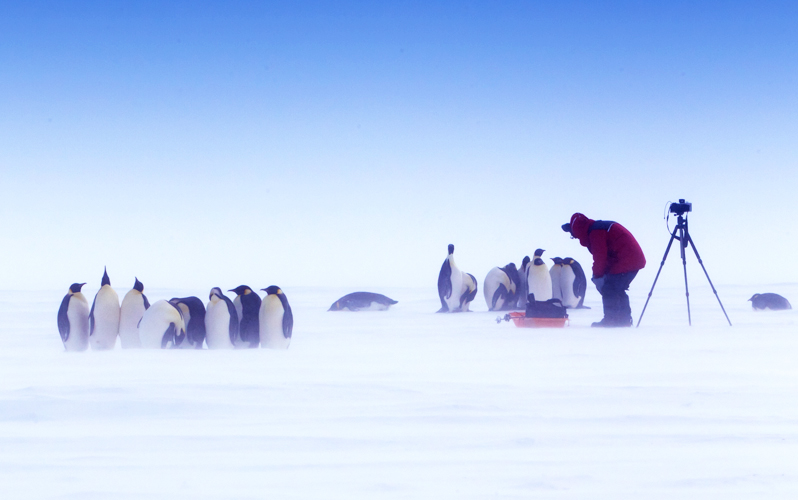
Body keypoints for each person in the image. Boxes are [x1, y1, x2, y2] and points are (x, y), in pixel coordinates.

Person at [562, 213, 646, 327]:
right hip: (631, 259)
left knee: (609, 288)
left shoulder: (596, 232)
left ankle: (611, 320)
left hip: (628, 260)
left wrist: (597, 276)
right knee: (617, 288)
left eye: (574, 235)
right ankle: (623, 319)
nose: (576, 238)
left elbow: (600, 256)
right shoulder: (595, 228)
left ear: (579, 231)